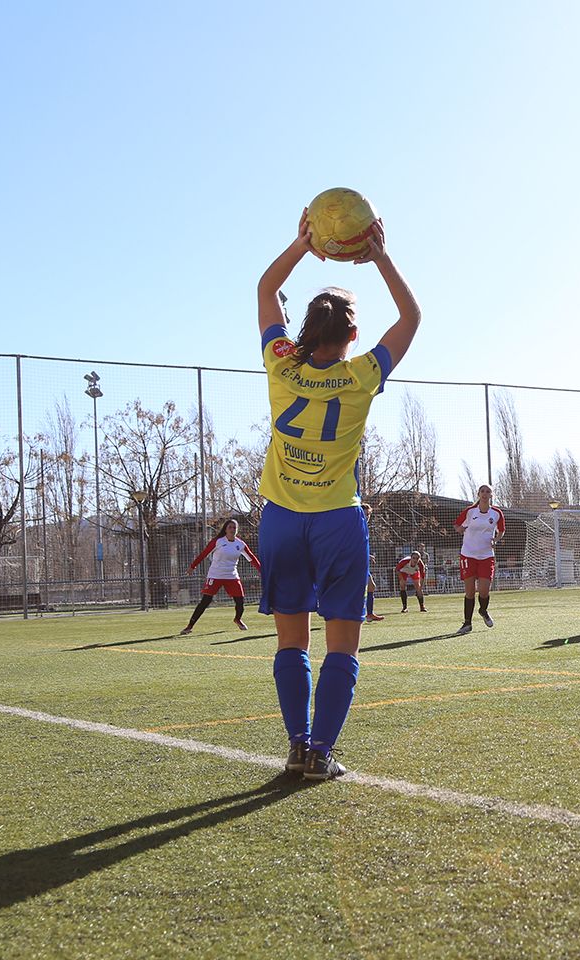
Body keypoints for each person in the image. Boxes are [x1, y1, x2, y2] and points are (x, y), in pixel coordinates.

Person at [255, 206, 421, 781]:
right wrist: (379, 256)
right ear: (353, 336)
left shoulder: (280, 364)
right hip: (337, 523)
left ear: (304, 329)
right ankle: (321, 753)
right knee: (343, 643)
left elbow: (266, 289)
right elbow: (411, 316)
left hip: (281, 520)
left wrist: (304, 244)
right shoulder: (361, 376)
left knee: (291, 641)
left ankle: (298, 745)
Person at [181, 518, 262, 634]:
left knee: (240, 601)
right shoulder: (218, 541)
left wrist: (261, 571)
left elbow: (252, 559)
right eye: (230, 527)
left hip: (232, 576)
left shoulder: (240, 544)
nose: (232, 529)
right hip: (215, 575)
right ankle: (189, 626)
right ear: (225, 529)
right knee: (205, 601)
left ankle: (238, 619)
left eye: (234, 527)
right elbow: (204, 554)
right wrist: (192, 566)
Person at [455, 484, 505, 633]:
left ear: (491, 495)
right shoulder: (470, 511)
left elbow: (501, 530)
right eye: (482, 491)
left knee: (484, 591)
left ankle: (483, 610)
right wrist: (460, 529)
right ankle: (467, 624)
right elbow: (457, 525)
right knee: (470, 592)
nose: (484, 493)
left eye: (488, 491)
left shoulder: (496, 513)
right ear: (478, 494)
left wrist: (496, 540)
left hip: (486, 556)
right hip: (468, 555)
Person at [360, 504, 384, 622]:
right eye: (365, 514)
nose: (367, 516)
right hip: (355, 562)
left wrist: (367, 555)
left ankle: (369, 614)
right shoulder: (357, 527)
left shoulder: (364, 527)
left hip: (362, 562)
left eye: (369, 514)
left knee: (371, 586)